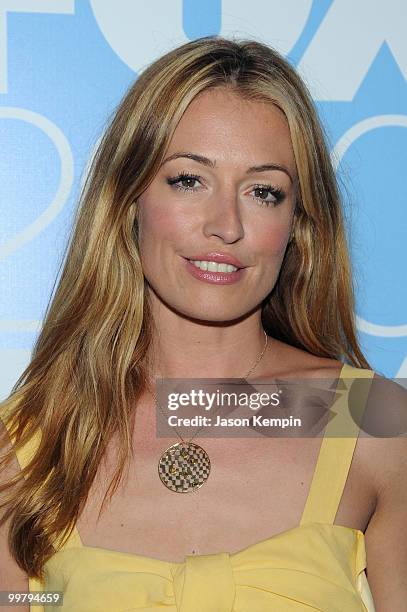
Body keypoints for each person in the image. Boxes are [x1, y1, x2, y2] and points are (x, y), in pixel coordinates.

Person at [1, 35, 406, 612]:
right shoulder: (28, 447)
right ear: (128, 198)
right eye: (189, 180)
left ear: (298, 222)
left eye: (264, 191)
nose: (227, 225)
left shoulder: (374, 423)